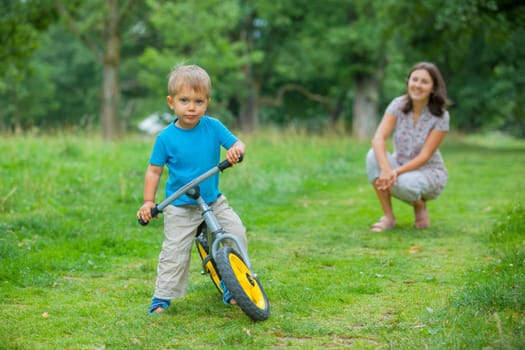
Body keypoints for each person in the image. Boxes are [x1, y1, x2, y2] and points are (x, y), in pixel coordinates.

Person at [136, 64, 247, 314]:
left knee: (235, 233)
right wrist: (147, 201)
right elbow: (153, 171)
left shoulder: (213, 126)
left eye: (198, 101)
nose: (191, 107)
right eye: (184, 100)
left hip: (213, 200)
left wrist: (236, 151)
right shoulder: (165, 138)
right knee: (174, 250)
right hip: (180, 205)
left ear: (207, 102)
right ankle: (162, 296)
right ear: (171, 102)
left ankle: (234, 285)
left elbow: (238, 142)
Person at [366, 61, 450, 232]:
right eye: (414, 79)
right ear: (408, 82)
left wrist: (393, 172)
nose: (417, 85)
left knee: (405, 184)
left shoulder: (441, 116)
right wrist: (385, 169)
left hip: (428, 172)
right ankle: (388, 218)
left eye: (424, 82)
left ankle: (419, 204)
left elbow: (424, 156)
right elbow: (378, 138)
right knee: (372, 156)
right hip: (400, 165)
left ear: (433, 88)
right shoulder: (398, 104)